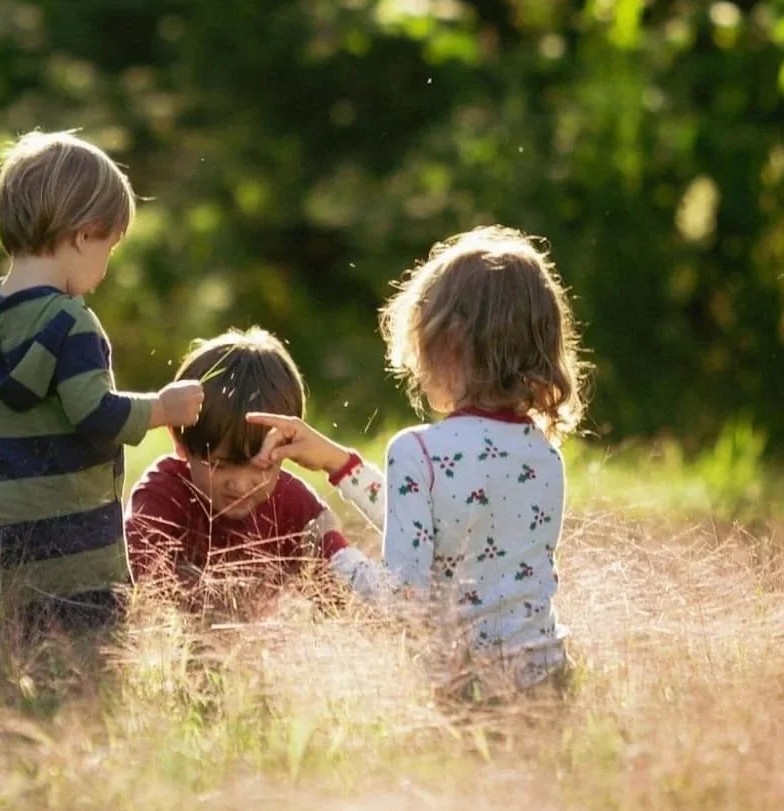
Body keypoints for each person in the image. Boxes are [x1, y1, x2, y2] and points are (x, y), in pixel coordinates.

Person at [249, 225, 584, 689]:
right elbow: (446, 528)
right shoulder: (543, 456)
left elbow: (402, 599)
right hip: (548, 682)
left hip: (468, 695)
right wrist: (338, 464)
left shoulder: (418, 451)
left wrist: (332, 551)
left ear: (447, 343)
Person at [0, 129, 204, 645]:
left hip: (1, 527)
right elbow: (95, 415)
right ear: (85, 235)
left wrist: (14, 458)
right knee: (90, 657)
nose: (106, 266)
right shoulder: (72, 322)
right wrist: (162, 408)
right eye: (109, 248)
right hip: (76, 539)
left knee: (12, 645)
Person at [125, 327, 355, 604]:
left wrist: (327, 536)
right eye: (219, 466)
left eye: (262, 468)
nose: (240, 484)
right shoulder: (162, 498)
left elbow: (343, 601)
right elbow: (141, 600)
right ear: (181, 442)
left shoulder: (295, 507)